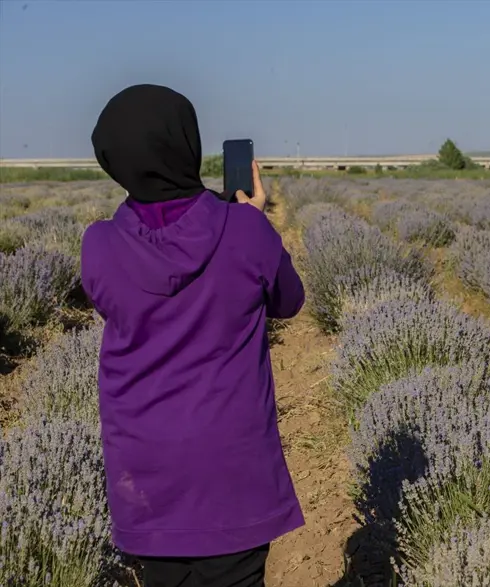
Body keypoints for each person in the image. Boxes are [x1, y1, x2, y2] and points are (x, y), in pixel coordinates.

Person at [81, 83, 307, 587]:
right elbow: (290, 302)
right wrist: (252, 220)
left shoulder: (99, 245)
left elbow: (116, 305)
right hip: (233, 473)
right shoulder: (245, 231)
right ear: (187, 142)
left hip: (146, 476)